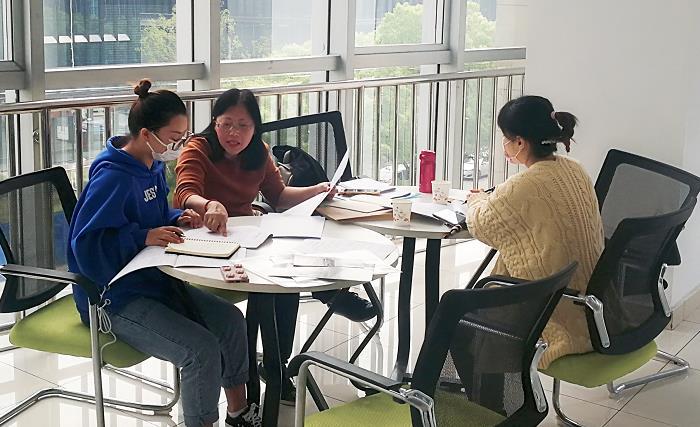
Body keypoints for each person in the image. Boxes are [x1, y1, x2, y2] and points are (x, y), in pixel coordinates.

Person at [67, 80, 260, 427]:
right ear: (146, 134)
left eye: (183, 137)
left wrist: (175, 218)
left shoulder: (151, 167)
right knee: (199, 350)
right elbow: (88, 245)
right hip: (112, 298)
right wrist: (143, 237)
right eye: (174, 138)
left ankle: (239, 412)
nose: (178, 146)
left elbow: (148, 217)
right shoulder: (113, 178)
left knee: (231, 321)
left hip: (154, 282)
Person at [173, 88, 376, 404]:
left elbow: (279, 196)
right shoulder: (198, 149)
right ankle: (325, 296)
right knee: (278, 279)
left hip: (248, 236)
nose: (234, 133)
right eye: (226, 124)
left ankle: (276, 365)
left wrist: (317, 190)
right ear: (214, 122)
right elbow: (184, 193)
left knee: (286, 276)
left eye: (243, 125)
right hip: (209, 241)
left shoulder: (259, 152)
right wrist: (209, 204)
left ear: (255, 127)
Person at [464, 95, 605, 369]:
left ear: (520, 143)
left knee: (468, 305)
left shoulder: (522, 185)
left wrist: (476, 199)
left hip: (554, 308)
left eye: (506, 138)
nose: (504, 144)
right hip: (593, 303)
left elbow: (481, 224)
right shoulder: (575, 169)